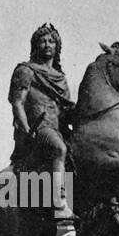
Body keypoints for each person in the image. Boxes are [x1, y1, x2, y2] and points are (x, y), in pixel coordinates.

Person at [9, 23, 75, 213]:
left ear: (57, 46)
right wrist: (26, 129)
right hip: (39, 127)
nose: (47, 44)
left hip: (58, 127)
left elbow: (67, 108)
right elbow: (17, 102)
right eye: (42, 41)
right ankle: (59, 198)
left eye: (51, 41)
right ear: (35, 46)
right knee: (59, 148)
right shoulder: (26, 70)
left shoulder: (60, 77)